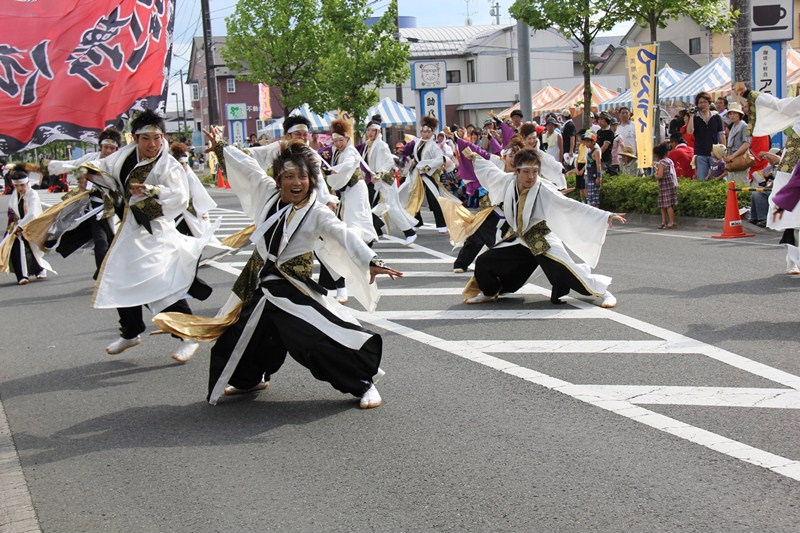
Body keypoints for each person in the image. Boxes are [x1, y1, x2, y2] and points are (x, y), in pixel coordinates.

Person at [158, 137, 403, 408]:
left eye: (302, 177)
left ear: (312, 179)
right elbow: (247, 166)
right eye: (288, 176)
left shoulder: (317, 212)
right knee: (239, 335)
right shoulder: (267, 194)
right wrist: (223, 147)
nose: (296, 183)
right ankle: (248, 379)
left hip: (291, 288)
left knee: (315, 340)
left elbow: (345, 235)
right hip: (259, 284)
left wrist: (371, 260)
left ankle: (363, 383)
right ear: (278, 179)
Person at [86, 109, 210, 363]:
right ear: (135, 138)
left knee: (159, 285)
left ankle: (188, 336)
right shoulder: (124, 156)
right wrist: (89, 172)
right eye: (146, 138)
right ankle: (131, 331)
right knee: (119, 277)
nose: (152, 144)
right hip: (130, 230)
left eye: (157, 137)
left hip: (155, 232)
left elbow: (179, 197)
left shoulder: (168, 165)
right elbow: (104, 171)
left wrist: (154, 190)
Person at [462, 148, 624, 308]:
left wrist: (606, 216)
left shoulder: (543, 188)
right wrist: (475, 157)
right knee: (484, 262)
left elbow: (570, 205)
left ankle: (602, 291)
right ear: (516, 170)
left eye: (535, 171)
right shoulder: (508, 181)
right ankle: (490, 293)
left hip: (541, 238)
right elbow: (490, 171)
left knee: (568, 271)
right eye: (526, 171)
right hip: (519, 238)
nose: (531, 176)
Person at [321, 116, 379, 303]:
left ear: (347, 139)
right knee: (344, 233)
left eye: (341, 140)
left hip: (356, 192)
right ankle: (347, 273)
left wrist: (333, 170)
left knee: (355, 227)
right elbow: (324, 157)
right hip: (343, 194)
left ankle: (362, 255)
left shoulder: (351, 152)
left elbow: (348, 164)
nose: (338, 143)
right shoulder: (335, 151)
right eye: (335, 140)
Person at [361, 115, 417, 245]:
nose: (370, 133)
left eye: (373, 130)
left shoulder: (382, 145)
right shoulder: (368, 145)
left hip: (385, 182)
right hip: (376, 182)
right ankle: (374, 233)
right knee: (370, 207)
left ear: (378, 131)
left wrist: (379, 174)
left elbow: (388, 162)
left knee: (391, 208)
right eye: (368, 130)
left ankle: (410, 232)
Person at [0, 165, 54, 284]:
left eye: (22, 185)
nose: (19, 188)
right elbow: (12, 209)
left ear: (27, 183)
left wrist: (20, 226)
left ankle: (38, 269)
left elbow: (32, 213)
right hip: (19, 226)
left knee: (31, 249)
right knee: (15, 245)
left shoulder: (32, 194)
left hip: (32, 226)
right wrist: (14, 223)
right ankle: (22, 276)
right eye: (16, 186)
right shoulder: (15, 194)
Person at [398, 115, 448, 232]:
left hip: (428, 175)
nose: (425, 134)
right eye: (423, 131)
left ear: (432, 132)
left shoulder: (434, 145)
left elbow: (440, 159)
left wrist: (426, 167)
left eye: (428, 131)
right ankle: (417, 221)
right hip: (416, 174)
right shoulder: (418, 142)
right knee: (412, 196)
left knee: (434, 198)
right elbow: (410, 154)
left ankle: (442, 224)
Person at [170, 142, 219, 241]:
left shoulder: (189, 175)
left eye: (186, 163)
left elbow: (199, 194)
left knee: (195, 239)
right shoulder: (170, 175)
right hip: (176, 214)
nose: (184, 166)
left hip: (191, 211)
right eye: (181, 163)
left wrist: (203, 211)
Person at [687, 92, 725, 180]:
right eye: (700, 102)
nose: (703, 104)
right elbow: (689, 131)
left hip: (715, 153)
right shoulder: (695, 118)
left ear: (709, 103)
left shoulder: (716, 117)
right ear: (697, 105)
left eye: (705, 102)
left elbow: (721, 135)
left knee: (716, 179)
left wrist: (723, 152)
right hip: (701, 154)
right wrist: (691, 116)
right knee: (702, 179)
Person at [723, 101, 751, 185]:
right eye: (730, 114)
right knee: (732, 184)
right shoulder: (733, 126)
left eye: (735, 113)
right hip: (732, 159)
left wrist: (733, 156)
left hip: (740, 158)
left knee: (741, 183)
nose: (732, 115)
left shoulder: (744, 126)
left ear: (739, 114)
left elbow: (746, 143)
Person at [653, 142, 678, 229]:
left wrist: (655, 175)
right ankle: (665, 222)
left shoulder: (662, 162)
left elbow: (660, 175)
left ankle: (670, 222)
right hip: (671, 184)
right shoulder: (669, 161)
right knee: (666, 205)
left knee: (666, 205)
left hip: (664, 186)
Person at [576, 131, 603, 207]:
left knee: (594, 197)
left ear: (593, 141)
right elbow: (587, 163)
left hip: (594, 176)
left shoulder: (596, 151)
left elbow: (599, 165)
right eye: (586, 141)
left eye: (588, 141)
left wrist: (599, 177)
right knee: (589, 196)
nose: (586, 143)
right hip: (589, 175)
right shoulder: (589, 150)